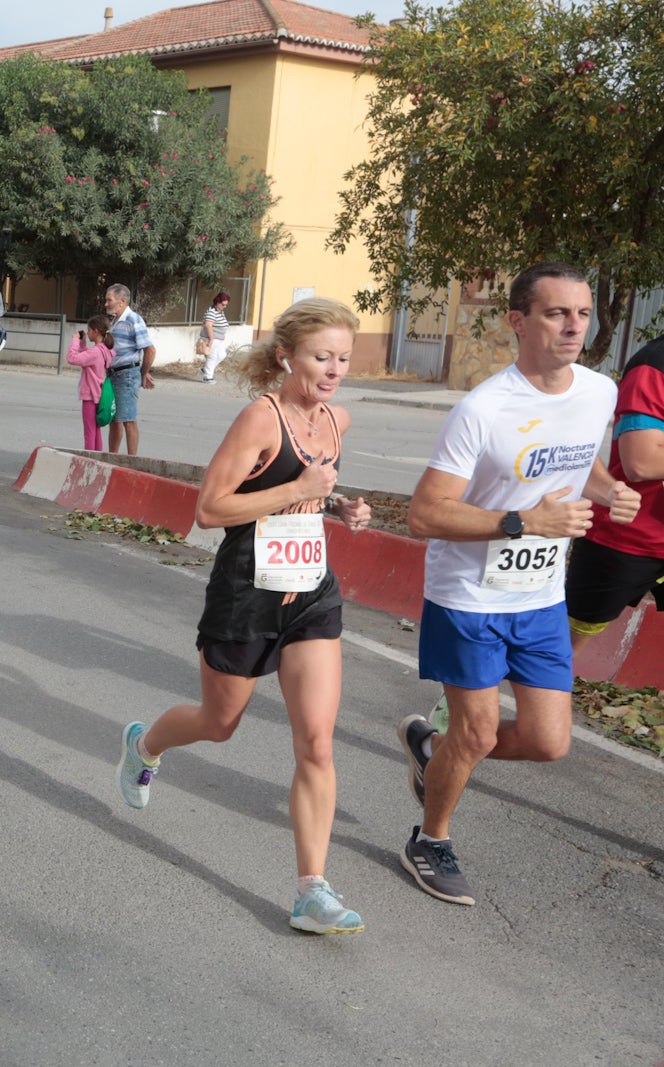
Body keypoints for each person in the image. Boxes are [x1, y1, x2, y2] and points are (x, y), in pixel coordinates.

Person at [116, 298, 373, 935]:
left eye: (343, 357)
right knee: (218, 722)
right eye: (322, 356)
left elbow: (315, 488)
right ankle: (144, 745)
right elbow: (210, 508)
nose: (334, 368)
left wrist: (339, 507)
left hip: (311, 592)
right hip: (246, 592)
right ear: (287, 355)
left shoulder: (336, 419)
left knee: (316, 741)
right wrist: (298, 493)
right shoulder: (260, 418)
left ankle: (311, 889)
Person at [397, 263, 640, 907]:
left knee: (547, 742)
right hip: (469, 596)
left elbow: (576, 458)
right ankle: (431, 838)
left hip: (539, 596)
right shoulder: (484, 409)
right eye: (558, 313)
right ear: (518, 321)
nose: (574, 327)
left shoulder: (597, 391)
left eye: (582, 314)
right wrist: (524, 521)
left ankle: (433, 749)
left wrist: (609, 489)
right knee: (477, 733)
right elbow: (424, 513)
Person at [565, 335, 664, 655]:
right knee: (555, 651)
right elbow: (641, 461)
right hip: (628, 537)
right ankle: (466, 702)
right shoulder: (654, 366)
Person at [103, 283, 157, 455]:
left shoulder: (133, 320)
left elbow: (149, 349)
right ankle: (113, 457)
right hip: (113, 375)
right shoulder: (113, 322)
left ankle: (132, 461)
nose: (106, 304)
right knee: (115, 419)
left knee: (128, 419)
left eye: (109, 300)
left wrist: (143, 373)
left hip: (127, 375)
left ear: (122, 301)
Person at [68, 314, 115, 451]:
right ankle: (98, 460)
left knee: (89, 433)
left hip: (90, 396)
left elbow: (72, 358)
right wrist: (83, 343)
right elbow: (85, 360)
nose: (87, 333)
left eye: (89, 330)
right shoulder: (104, 350)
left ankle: (90, 461)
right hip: (99, 396)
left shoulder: (95, 352)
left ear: (96, 331)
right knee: (96, 432)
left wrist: (75, 341)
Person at [201, 291, 232, 384]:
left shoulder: (220, 311)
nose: (225, 307)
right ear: (217, 302)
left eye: (226, 305)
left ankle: (206, 370)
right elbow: (208, 325)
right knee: (212, 357)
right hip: (213, 338)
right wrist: (211, 339)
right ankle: (207, 377)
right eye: (223, 304)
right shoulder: (212, 311)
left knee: (222, 355)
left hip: (219, 339)